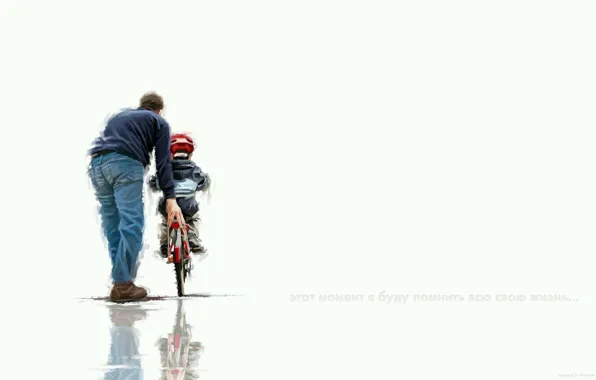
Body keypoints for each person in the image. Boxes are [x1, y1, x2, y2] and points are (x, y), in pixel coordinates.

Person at [87, 92, 185, 301]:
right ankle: (123, 285)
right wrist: (170, 197)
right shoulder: (159, 122)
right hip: (124, 165)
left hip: (96, 165)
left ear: (141, 106)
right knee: (132, 223)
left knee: (112, 225)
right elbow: (163, 163)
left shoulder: (119, 116)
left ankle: (120, 282)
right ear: (159, 110)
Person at [148, 132, 211, 258]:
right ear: (190, 154)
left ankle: (165, 244)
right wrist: (198, 186)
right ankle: (192, 238)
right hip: (188, 204)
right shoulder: (194, 169)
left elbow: (155, 182)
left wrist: (155, 185)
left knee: (166, 222)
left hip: (167, 204)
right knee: (192, 219)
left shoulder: (165, 169)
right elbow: (204, 181)